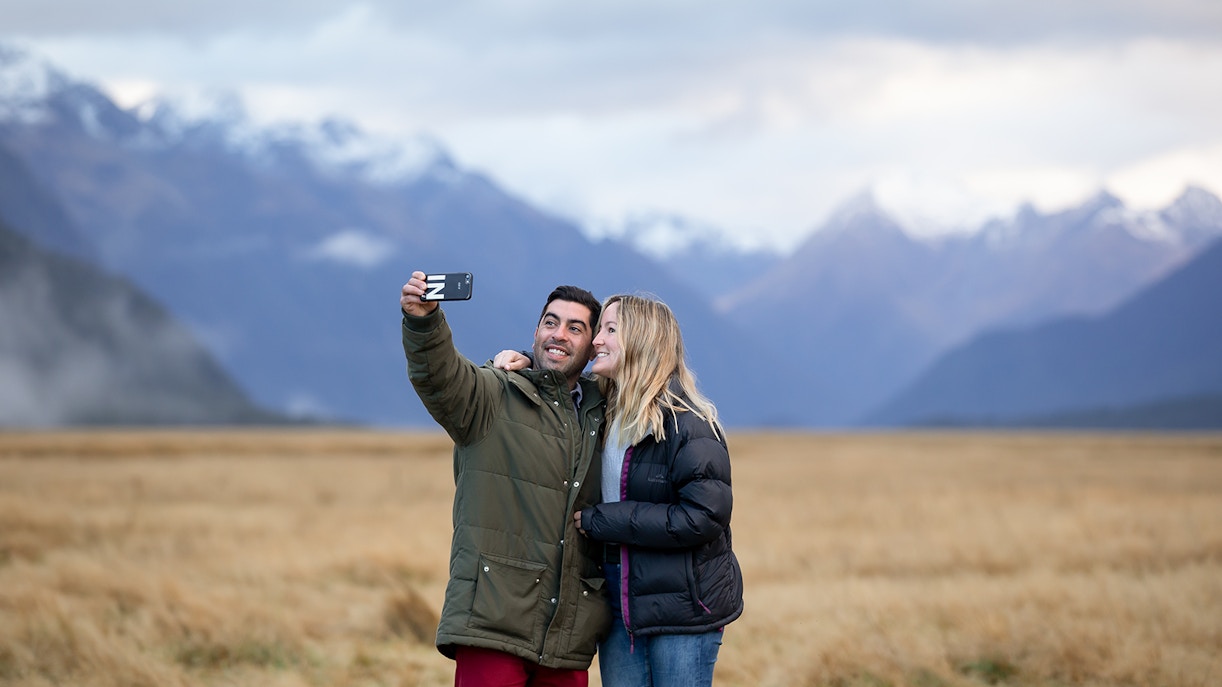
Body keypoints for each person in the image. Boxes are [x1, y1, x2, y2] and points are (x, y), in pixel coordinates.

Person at [505, 294, 744, 686]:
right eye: (599, 330)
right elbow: (558, 377)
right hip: (616, 604)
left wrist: (606, 520)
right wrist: (526, 359)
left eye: (610, 330)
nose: (597, 340)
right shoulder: (603, 410)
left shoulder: (689, 423)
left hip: (682, 609)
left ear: (642, 340)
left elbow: (705, 517)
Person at [399, 271, 612, 687]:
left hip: (566, 634)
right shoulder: (492, 395)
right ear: (534, 332)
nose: (560, 334)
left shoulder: (604, 415)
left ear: (591, 347)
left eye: (575, 328)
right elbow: (440, 376)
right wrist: (424, 322)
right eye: (550, 323)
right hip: (491, 623)